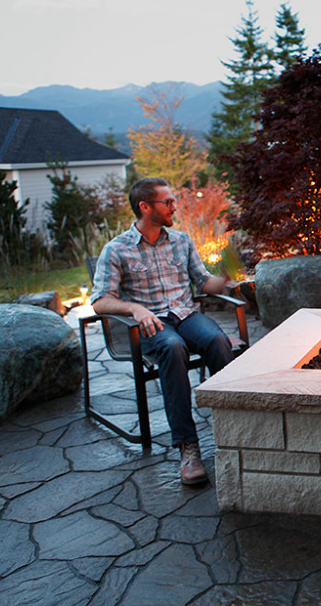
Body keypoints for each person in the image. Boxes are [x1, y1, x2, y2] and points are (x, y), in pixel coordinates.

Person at [91, 177, 234, 486]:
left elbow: (202, 280)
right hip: (150, 323)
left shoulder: (181, 240)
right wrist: (134, 309)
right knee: (172, 348)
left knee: (217, 340)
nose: (174, 207)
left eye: (173, 201)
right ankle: (188, 447)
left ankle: (236, 425)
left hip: (184, 314)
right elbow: (100, 301)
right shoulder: (116, 249)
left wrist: (225, 281)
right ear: (145, 207)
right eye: (167, 202)